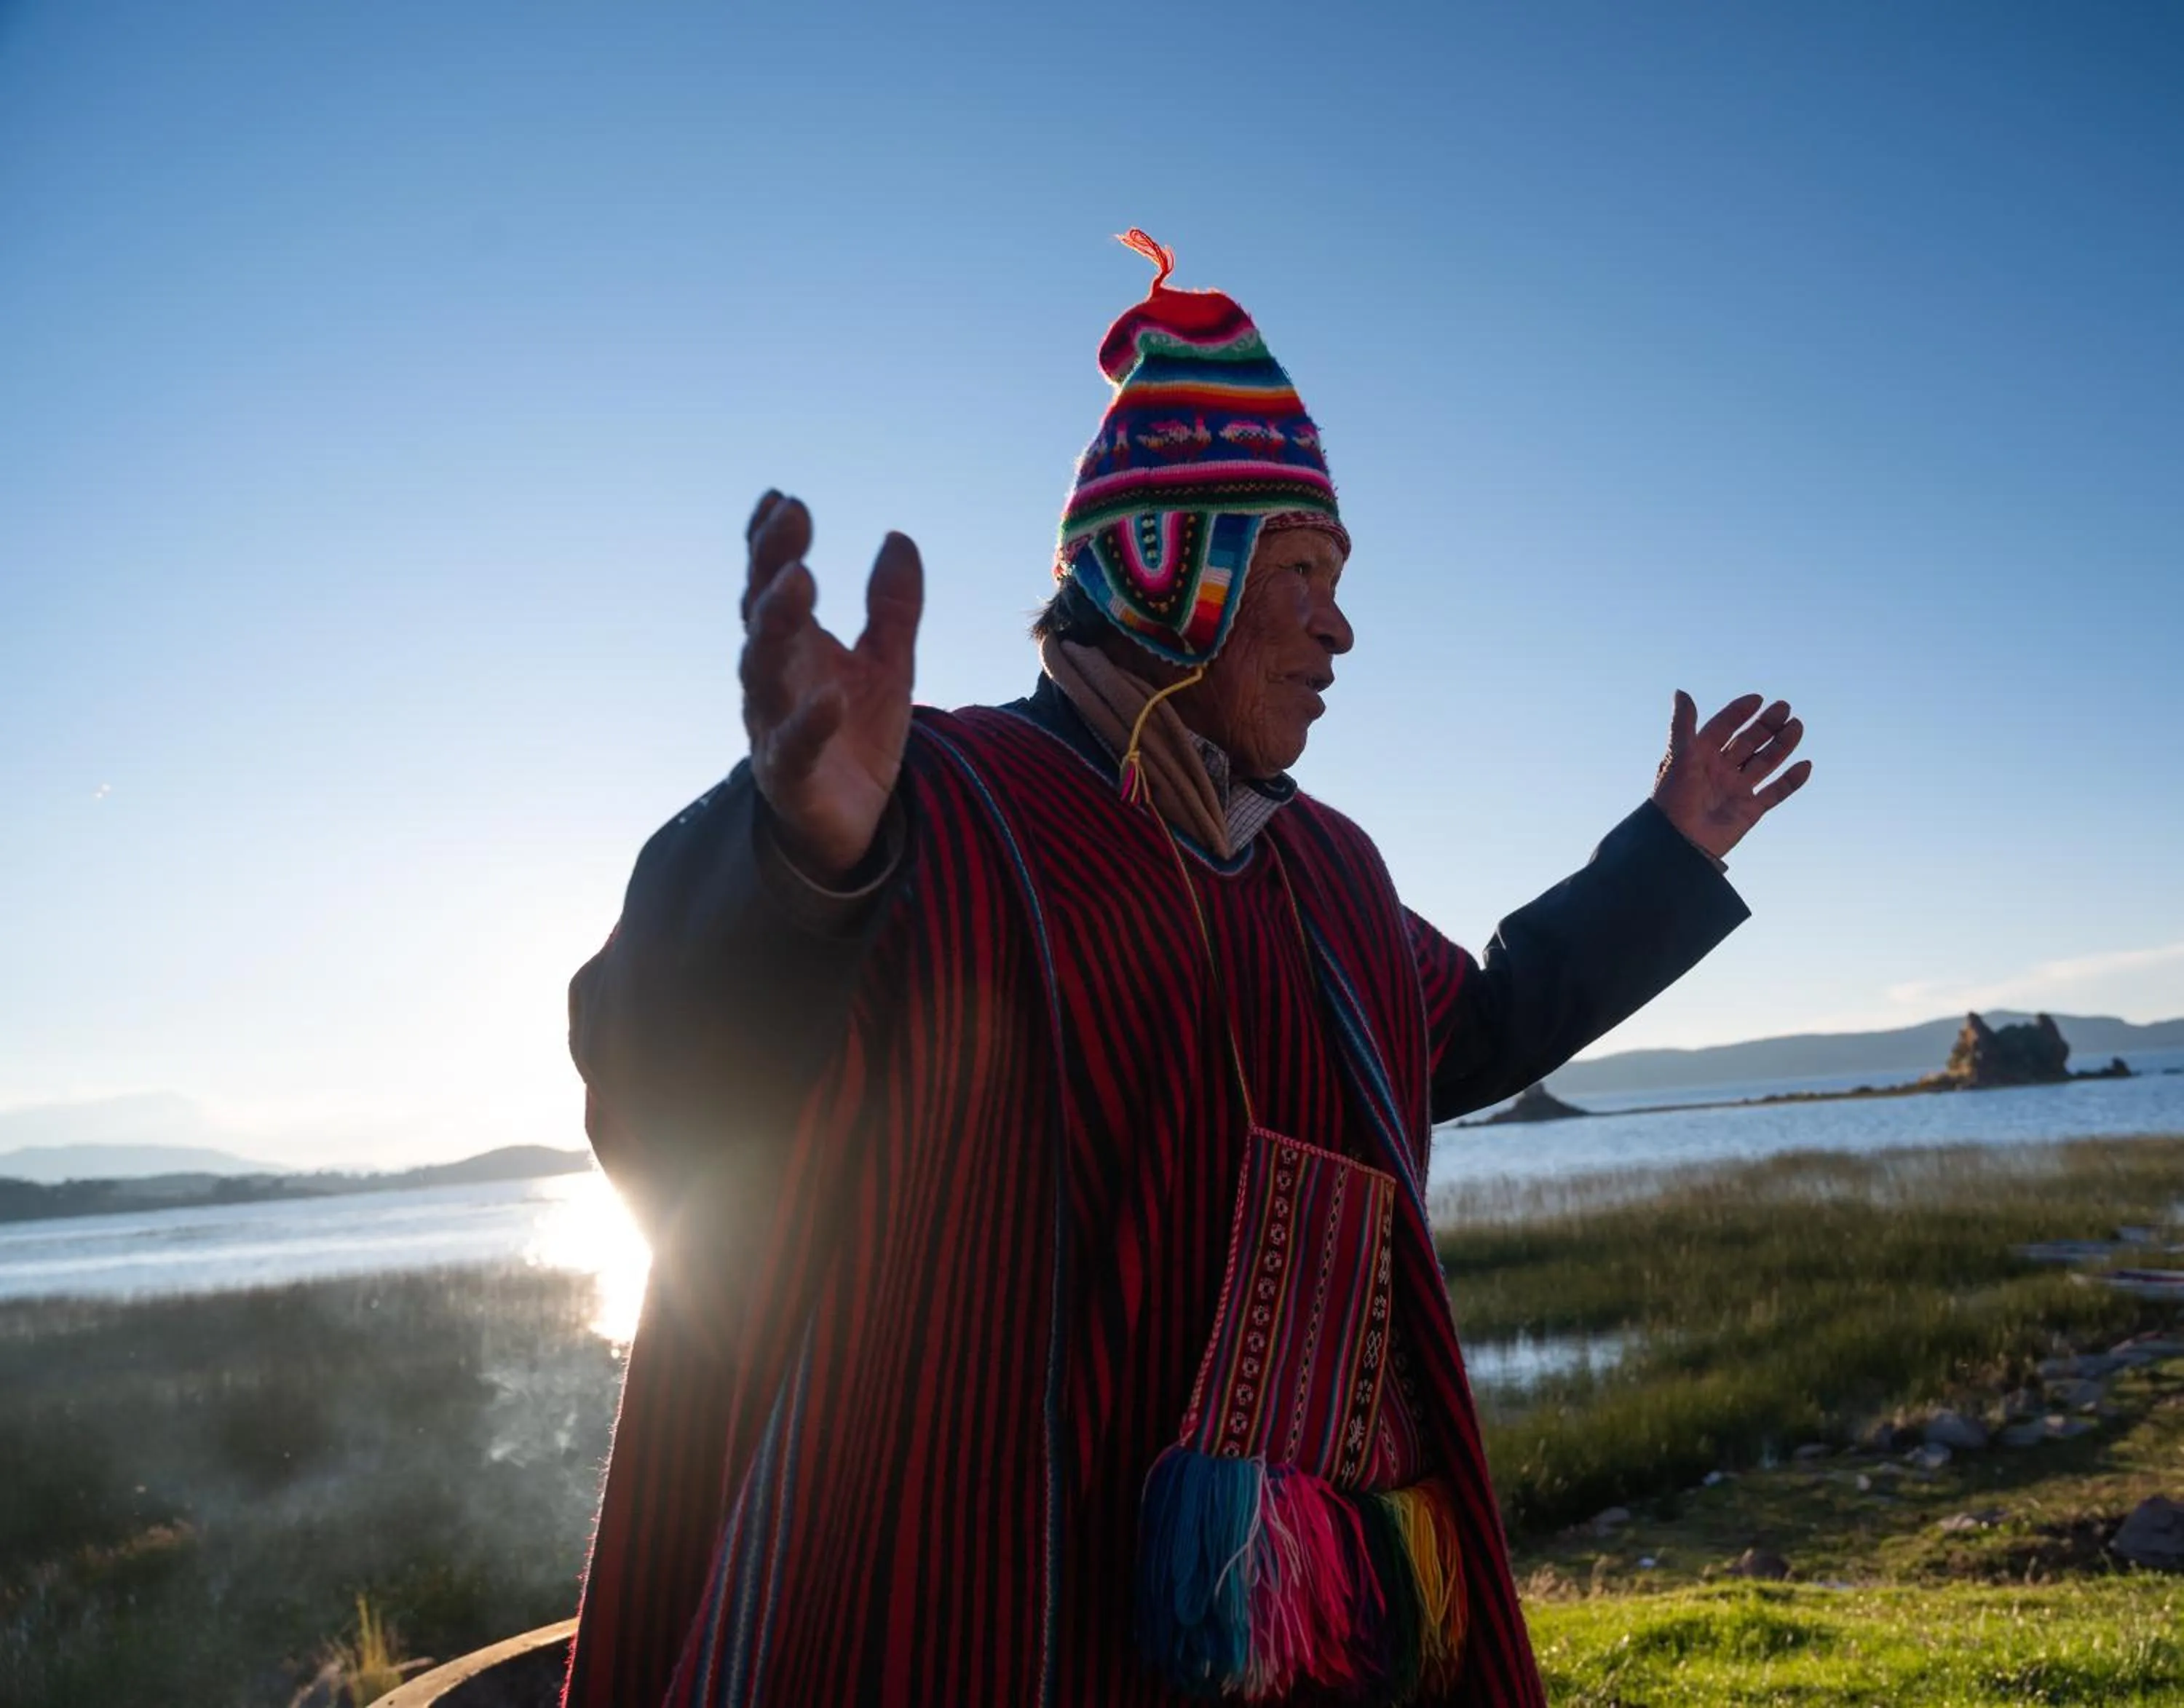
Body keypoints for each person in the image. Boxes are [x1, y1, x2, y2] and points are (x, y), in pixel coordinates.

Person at [562, 232, 1811, 1708]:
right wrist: (795, 865)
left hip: (1290, 1629)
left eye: (1338, 578)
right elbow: (665, 1087)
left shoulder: (1326, 871)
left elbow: (1472, 1031)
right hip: (987, 1616)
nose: (1342, 625)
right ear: (1175, 564)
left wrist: (1665, 860)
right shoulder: (941, 800)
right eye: (1301, 570)